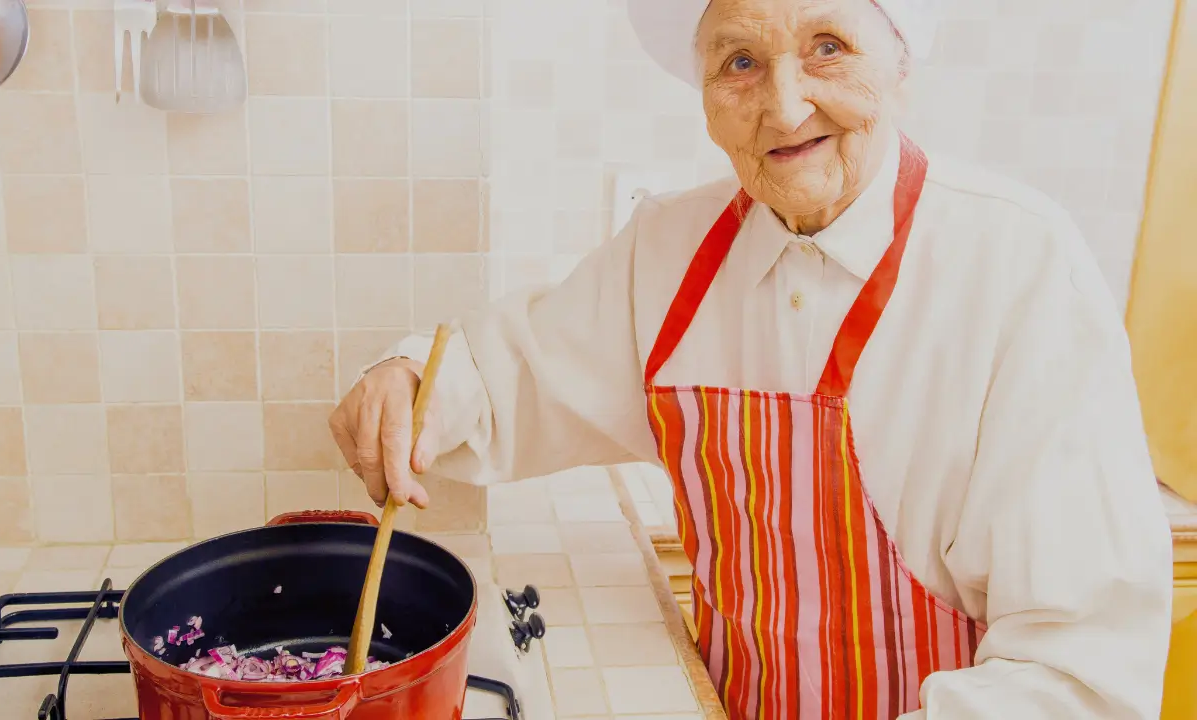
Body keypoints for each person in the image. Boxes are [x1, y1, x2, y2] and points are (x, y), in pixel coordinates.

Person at [329, 0, 1174, 716]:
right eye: (740, 62)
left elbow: (1077, 676)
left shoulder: (1019, 266)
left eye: (828, 48)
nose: (785, 107)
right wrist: (409, 382)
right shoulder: (669, 250)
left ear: (901, 65)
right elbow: (512, 376)